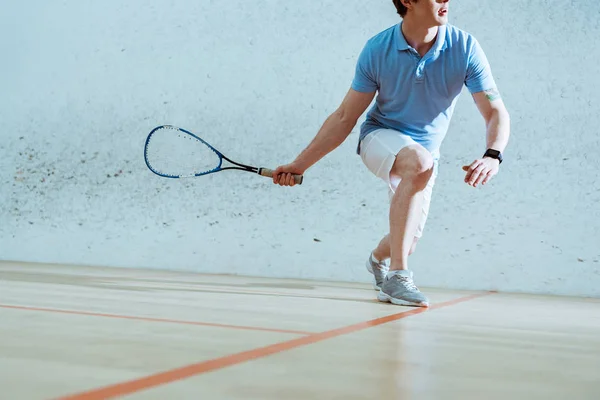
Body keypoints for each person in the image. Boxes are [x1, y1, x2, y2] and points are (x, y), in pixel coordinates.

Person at [271, 0, 511, 307]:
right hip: (379, 138)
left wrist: (493, 154)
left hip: (425, 155)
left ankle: (377, 260)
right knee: (419, 163)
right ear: (408, 1)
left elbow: (495, 111)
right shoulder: (377, 49)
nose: (446, 0)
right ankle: (398, 279)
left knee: (408, 240)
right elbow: (345, 117)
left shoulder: (464, 47)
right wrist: (300, 165)